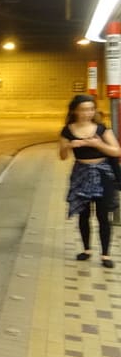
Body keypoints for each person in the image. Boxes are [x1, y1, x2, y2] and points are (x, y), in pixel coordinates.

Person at [59, 94, 119, 268]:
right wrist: (68, 146)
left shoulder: (102, 129)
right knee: (83, 214)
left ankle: (105, 255)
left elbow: (116, 151)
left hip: (103, 175)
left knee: (103, 216)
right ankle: (86, 250)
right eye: (83, 109)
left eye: (91, 109)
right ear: (75, 111)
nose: (88, 113)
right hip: (81, 173)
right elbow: (62, 156)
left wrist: (98, 145)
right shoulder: (67, 131)